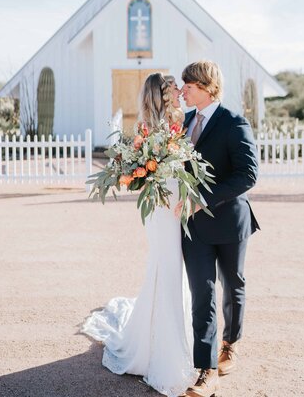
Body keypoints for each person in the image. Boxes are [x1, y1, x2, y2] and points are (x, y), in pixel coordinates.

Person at [82, 73, 197, 397]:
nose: (178, 94)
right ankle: (163, 352)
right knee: (167, 266)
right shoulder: (148, 129)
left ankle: (182, 337)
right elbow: (145, 170)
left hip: (176, 201)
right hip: (160, 205)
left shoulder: (181, 121)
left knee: (178, 268)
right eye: (174, 90)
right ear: (163, 94)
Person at [175, 61, 259, 397]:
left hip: (229, 222)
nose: (183, 92)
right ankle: (206, 371)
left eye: (189, 86)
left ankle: (231, 344)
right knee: (201, 294)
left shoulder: (234, 123)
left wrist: (203, 200)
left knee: (233, 285)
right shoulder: (185, 123)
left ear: (208, 87)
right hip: (193, 227)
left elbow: (247, 175)